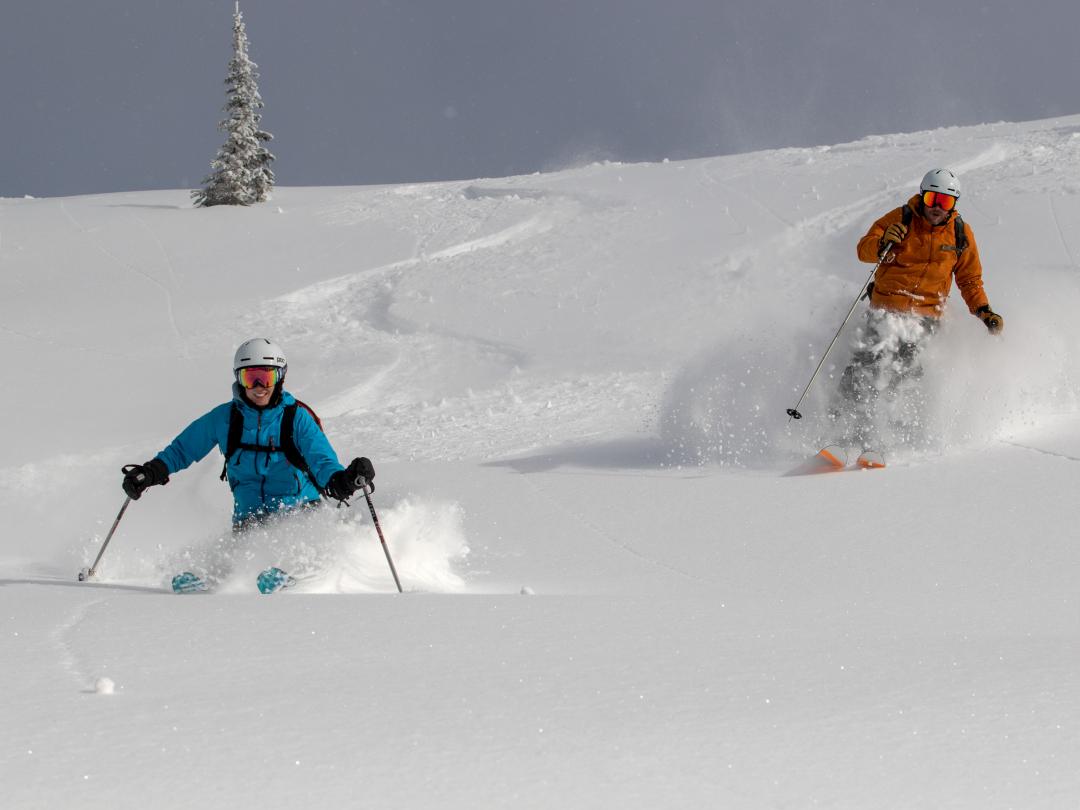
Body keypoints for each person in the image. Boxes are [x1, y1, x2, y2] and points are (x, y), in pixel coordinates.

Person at [121, 337, 375, 529]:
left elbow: (322, 460)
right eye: (250, 377)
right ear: (239, 379)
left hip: (301, 514)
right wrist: (151, 472)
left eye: (266, 377)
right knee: (240, 567)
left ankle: (301, 573)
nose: (258, 387)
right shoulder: (224, 418)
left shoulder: (296, 418)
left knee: (284, 559)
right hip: (249, 520)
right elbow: (183, 449)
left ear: (280, 377)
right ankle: (216, 577)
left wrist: (342, 480)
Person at [837, 168, 1003, 450]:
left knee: (904, 372)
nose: (937, 207)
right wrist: (881, 244)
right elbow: (863, 249)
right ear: (922, 196)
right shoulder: (900, 219)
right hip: (886, 309)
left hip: (926, 316)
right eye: (932, 199)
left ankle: (892, 433)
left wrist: (984, 311)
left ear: (954, 204)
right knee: (865, 367)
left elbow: (969, 280)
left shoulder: (960, 234)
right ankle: (845, 428)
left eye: (945, 201)